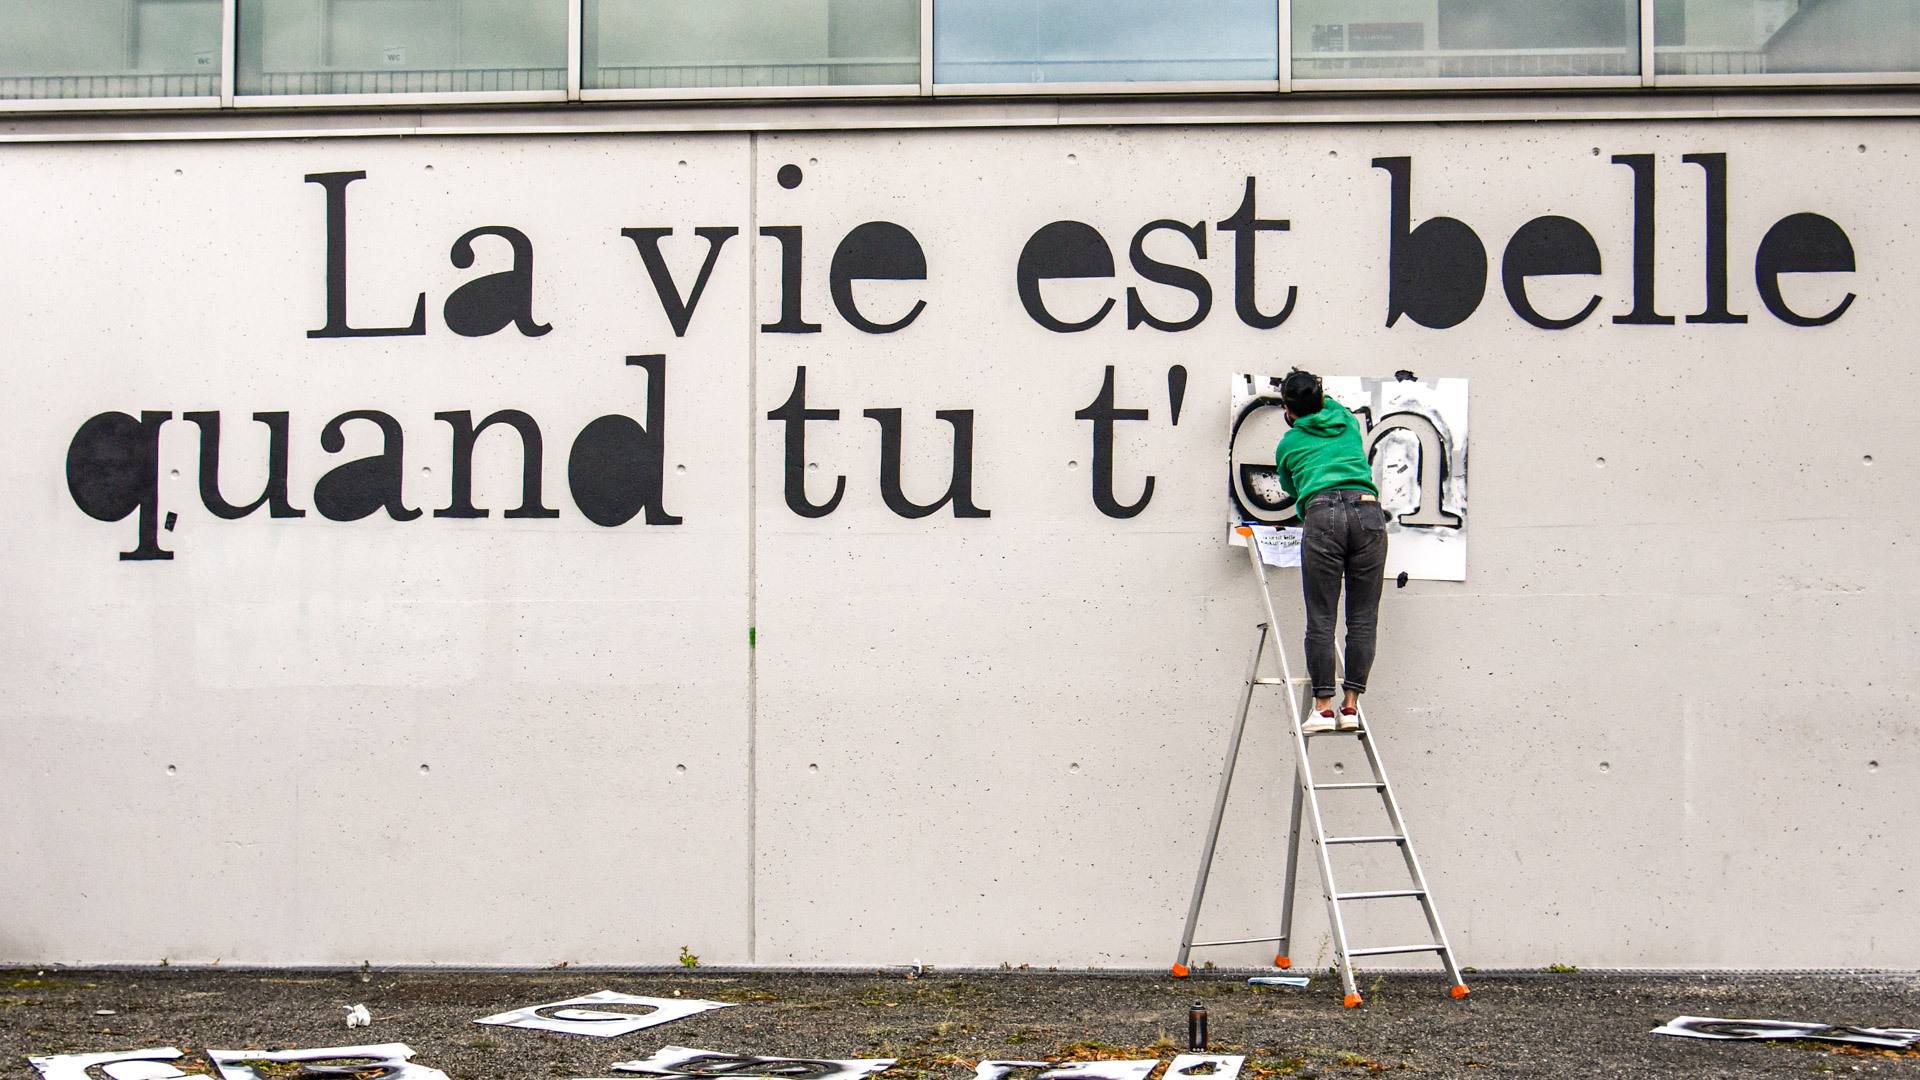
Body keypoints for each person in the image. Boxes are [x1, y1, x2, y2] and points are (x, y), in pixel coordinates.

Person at [1273, 369, 1386, 734]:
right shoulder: (1348, 421)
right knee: (1363, 618)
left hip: (1324, 516)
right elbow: (1326, 405)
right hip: (1368, 511)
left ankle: (1322, 709)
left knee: (1321, 618)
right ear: (1322, 398)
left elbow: (1291, 486)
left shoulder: (1289, 444)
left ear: (1289, 410)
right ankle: (1350, 706)